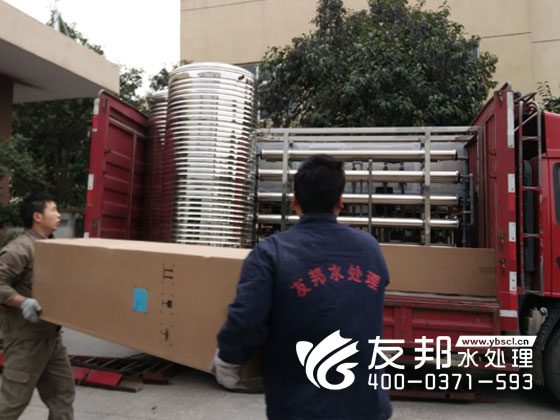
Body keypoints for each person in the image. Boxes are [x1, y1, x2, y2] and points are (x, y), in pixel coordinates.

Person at [214, 155, 392, 420]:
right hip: (367, 406)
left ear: (295, 201)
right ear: (340, 201)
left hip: (301, 408)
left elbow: (247, 318)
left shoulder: (270, 253)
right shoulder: (370, 248)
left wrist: (228, 360)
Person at [0, 193, 75, 420]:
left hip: (51, 338)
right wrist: (23, 301)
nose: (59, 215)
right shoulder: (19, 249)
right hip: (26, 341)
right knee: (11, 404)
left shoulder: (52, 248)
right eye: (53, 210)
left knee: (62, 395)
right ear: (37, 217)